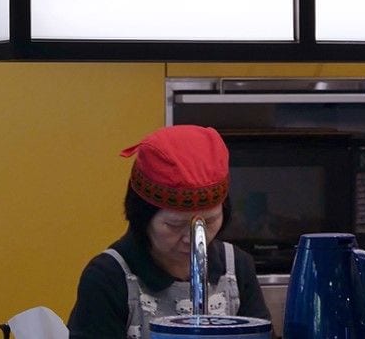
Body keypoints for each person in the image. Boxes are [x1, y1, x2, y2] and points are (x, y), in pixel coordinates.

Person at [68, 124, 272, 339]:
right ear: (143, 216)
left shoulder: (236, 267)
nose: (193, 239)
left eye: (210, 221)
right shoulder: (108, 277)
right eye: (175, 225)